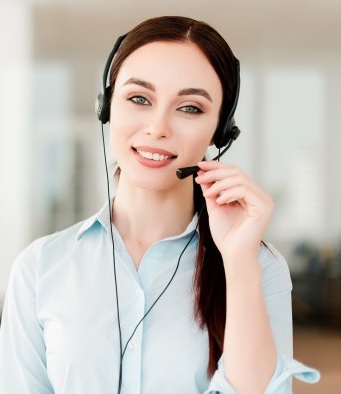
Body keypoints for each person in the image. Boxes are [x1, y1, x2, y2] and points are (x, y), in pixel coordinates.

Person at [0, 16, 319, 394]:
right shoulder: (40, 268)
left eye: (190, 108)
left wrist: (238, 265)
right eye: (139, 98)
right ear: (107, 107)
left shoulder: (258, 266)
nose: (158, 127)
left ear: (221, 131)